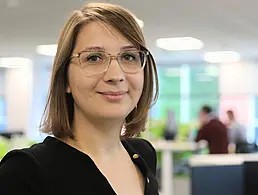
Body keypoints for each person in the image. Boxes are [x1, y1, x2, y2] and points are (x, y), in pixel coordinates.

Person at [0, 3, 159, 195]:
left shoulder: (143, 154)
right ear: (65, 78)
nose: (115, 75)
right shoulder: (26, 171)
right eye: (94, 58)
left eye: (129, 56)